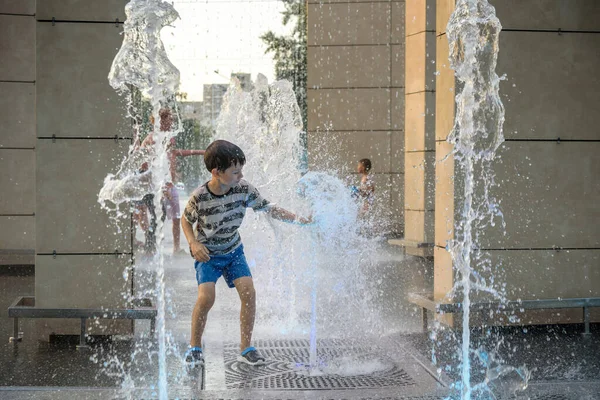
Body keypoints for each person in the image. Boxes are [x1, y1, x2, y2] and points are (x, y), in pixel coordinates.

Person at [181, 140, 312, 367]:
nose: (240, 176)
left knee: (249, 293)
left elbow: (269, 208)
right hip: (208, 255)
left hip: (233, 251)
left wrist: (300, 220)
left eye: (241, 170)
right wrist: (193, 243)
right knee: (206, 298)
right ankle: (194, 347)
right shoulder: (200, 197)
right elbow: (185, 220)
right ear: (216, 172)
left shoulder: (244, 189)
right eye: (235, 172)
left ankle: (246, 347)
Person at [141, 108, 205, 255]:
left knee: (170, 216)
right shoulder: (153, 139)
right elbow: (146, 166)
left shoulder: (168, 138)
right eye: (169, 119)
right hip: (155, 186)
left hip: (167, 185)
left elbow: (174, 155)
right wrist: (162, 188)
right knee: (158, 215)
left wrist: (200, 152)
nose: (172, 122)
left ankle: (170, 248)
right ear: (161, 121)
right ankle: (150, 249)